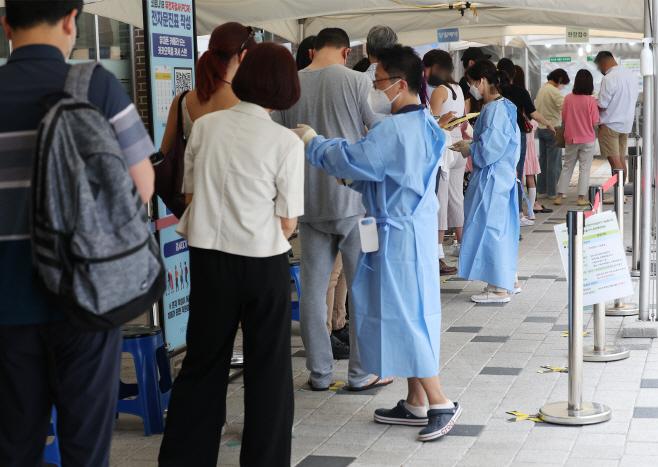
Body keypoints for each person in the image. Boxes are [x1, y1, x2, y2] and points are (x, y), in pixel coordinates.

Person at [0, 2, 155, 466]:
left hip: (6, 305)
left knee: (13, 445)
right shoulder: (95, 86)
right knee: (86, 444)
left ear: (5, 25)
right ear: (71, 20)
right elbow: (142, 188)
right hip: (89, 291)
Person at [299, 44, 461, 442]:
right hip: (414, 229)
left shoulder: (390, 130)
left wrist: (313, 141)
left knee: (404, 317)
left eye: (380, 81)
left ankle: (440, 402)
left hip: (395, 235)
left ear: (400, 83)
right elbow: (393, 173)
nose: (375, 87)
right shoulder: (426, 123)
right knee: (417, 313)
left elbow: (352, 158)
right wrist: (358, 179)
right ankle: (415, 401)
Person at [158, 42, 304, 467]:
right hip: (263, 260)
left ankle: (185, 459)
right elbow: (288, 222)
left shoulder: (205, 126)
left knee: (203, 362)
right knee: (269, 369)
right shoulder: (286, 142)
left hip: (208, 259)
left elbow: (188, 194)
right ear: (286, 87)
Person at [272, 28, 391, 391]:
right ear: (345, 51)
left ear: (311, 50)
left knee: (312, 291)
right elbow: (381, 124)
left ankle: (320, 374)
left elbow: (279, 137)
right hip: (355, 203)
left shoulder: (289, 84)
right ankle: (360, 373)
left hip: (307, 203)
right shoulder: (356, 81)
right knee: (362, 289)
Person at [452, 60, 521, 303]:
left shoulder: (493, 109)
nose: (471, 87)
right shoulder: (507, 105)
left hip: (492, 177)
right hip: (502, 176)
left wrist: (470, 148)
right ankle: (507, 279)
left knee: (491, 229)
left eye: (471, 83)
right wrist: (472, 146)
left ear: (482, 81)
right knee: (501, 228)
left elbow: (491, 148)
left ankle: (499, 288)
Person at [160, 23, 257, 155]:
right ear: (244, 55)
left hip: (191, 175)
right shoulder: (247, 101)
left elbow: (164, 154)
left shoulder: (181, 101)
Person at [497, 58, 556, 226]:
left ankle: (504, 212)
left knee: (501, 174)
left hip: (499, 135)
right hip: (518, 135)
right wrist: (549, 123)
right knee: (517, 174)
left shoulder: (495, 90)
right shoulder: (520, 91)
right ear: (514, 73)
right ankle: (518, 213)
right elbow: (534, 114)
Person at [423, 49, 463, 272]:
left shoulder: (439, 91)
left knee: (441, 201)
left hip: (445, 146)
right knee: (457, 198)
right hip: (459, 145)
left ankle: (438, 253)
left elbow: (435, 123)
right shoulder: (458, 88)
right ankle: (463, 246)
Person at [595, 51, 640, 204]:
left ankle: (619, 195)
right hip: (626, 124)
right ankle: (622, 193)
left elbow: (602, 104)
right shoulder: (632, 75)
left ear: (602, 63)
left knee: (614, 161)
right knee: (621, 159)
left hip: (610, 124)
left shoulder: (608, 78)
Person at [554, 69, 600, 206]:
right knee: (584, 168)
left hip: (571, 138)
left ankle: (559, 196)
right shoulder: (591, 101)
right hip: (588, 139)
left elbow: (564, 118)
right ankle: (581, 198)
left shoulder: (568, 98)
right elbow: (595, 123)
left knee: (567, 166)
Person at [512, 65, 551, 217]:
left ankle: (520, 210)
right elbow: (533, 119)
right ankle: (531, 209)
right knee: (529, 176)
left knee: (519, 176)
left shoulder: (510, 94)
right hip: (529, 142)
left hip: (519, 140)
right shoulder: (524, 93)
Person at [534, 68, 570, 200]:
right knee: (554, 162)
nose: (562, 87)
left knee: (543, 160)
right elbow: (564, 108)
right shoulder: (554, 91)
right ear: (560, 79)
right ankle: (552, 191)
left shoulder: (542, 89)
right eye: (563, 83)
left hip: (541, 128)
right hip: (553, 128)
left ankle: (542, 189)